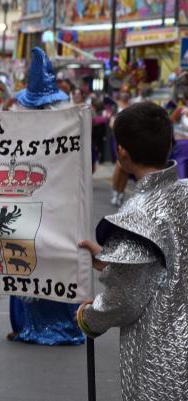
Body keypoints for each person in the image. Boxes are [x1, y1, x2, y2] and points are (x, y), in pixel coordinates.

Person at [77, 102, 187, 401]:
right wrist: (111, 258)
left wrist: (90, 317)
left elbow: (126, 297)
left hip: (164, 355)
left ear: (121, 153)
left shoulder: (138, 213)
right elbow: (163, 262)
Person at [8, 47, 85, 346]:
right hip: (47, 204)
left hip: (45, 203)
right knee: (36, 258)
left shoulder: (60, 131)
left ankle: (39, 324)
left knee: (31, 258)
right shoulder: (63, 126)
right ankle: (46, 322)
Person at [109, 86, 132, 207]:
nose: (125, 94)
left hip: (131, 141)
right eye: (123, 91)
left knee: (126, 167)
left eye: (127, 92)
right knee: (119, 165)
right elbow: (111, 123)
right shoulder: (116, 106)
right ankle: (115, 192)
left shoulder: (133, 107)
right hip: (118, 140)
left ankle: (121, 193)